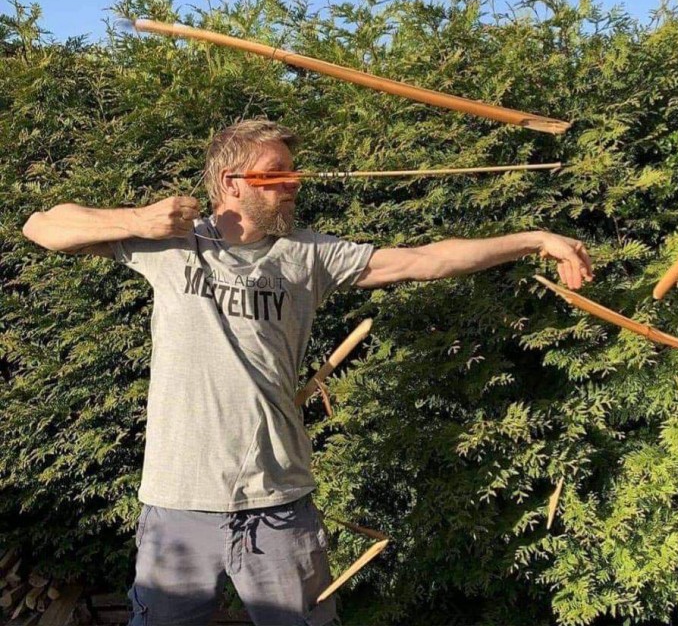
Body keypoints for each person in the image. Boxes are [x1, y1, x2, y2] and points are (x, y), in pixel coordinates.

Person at [22, 119, 594, 626]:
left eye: (293, 171)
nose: (295, 182)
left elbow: (425, 259)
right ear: (232, 183)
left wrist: (533, 239)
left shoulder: (309, 255)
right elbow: (42, 226)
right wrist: (139, 220)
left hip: (279, 504)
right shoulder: (169, 246)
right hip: (177, 507)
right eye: (278, 173)